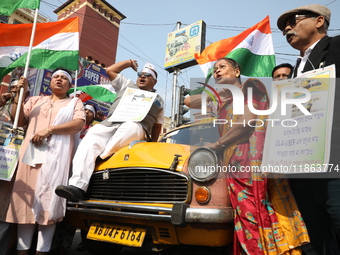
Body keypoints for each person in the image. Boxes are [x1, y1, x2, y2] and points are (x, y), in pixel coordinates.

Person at [185, 57, 309, 254]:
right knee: (244, 215)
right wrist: (214, 95)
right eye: (215, 69)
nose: (217, 71)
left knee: (256, 210)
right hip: (233, 163)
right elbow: (188, 101)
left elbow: (247, 120)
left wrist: (217, 145)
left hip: (251, 161)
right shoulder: (223, 99)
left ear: (237, 71)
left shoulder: (251, 87)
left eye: (222, 67)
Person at [277, 4, 340, 254]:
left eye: (294, 21)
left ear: (319, 21)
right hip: (302, 167)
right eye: (283, 28)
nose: (287, 29)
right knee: (314, 235)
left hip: (333, 163)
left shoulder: (336, 47)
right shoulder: (294, 69)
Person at [55, 59, 164, 202]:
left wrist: (153, 145)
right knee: (92, 135)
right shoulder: (127, 85)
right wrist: (129, 63)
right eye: (140, 74)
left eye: (147, 75)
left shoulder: (159, 100)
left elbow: (157, 126)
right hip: (111, 123)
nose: (142, 76)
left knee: (129, 127)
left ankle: (102, 156)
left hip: (137, 128)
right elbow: (110, 71)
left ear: (154, 82)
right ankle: (77, 187)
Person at [5, 69, 85, 254]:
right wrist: (19, 95)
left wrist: (50, 130)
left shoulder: (74, 102)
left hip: (56, 162)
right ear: (50, 81)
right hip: (29, 159)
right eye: (56, 76)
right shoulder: (35, 101)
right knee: (25, 206)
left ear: (69, 84)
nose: (59, 79)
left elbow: (78, 124)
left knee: (49, 205)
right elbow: (18, 121)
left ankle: (43, 250)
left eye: (64, 78)